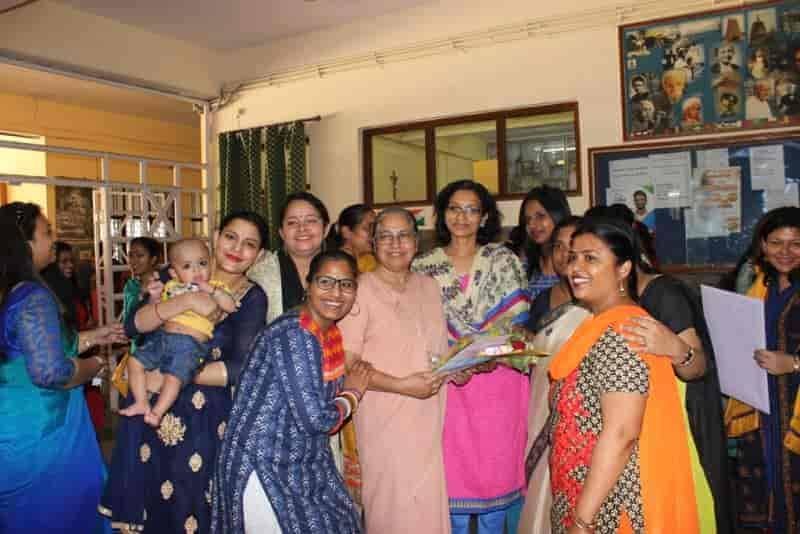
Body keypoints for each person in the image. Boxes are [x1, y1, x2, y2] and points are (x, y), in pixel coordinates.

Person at [100, 211, 269, 534]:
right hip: (146, 403)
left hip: (201, 416)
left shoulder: (251, 298)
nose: (237, 249)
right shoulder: (174, 271)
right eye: (230, 237)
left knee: (187, 506)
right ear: (216, 236)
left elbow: (240, 367)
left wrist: (175, 376)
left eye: (249, 244)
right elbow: (132, 326)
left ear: (259, 255)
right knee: (144, 503)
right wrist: (184, 301)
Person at [548, 216, 700, 533]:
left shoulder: (623, 333)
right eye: (573, 257)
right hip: (582, 490)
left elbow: (621, 434)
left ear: (623, 269)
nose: (575, 268)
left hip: (611, 505)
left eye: (591, 258)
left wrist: (583, 520)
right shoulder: (595, 324)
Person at [212, 250, 373, 534]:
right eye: (325, 282)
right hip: (264, 464)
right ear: (308, 286)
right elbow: (315, 419)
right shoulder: (294, 333)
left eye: (346, 284)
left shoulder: (328, 333)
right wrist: (352, 394)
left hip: (301, 462)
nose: (336, 293)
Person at [412, 180, 530, 534]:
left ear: (485, 217)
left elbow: (518, 322)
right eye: (454, 208)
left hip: (499, 381)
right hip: (449, 382)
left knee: (496, 477)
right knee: (453, 480)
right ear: (442, 214)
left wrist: (488, 352)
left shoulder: (503, 260)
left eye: (471, 209)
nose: (462, 217)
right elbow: (416, 327)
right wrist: (453, 360)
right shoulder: (423, 266)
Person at [0, 202, 125, 533]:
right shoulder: (32, 295)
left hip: (15, 420)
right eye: (46, 233)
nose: (52, 241)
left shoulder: (10, 292)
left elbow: (28, 348)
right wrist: (94, 365)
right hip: (41, 431)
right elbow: (51, 372)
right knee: (56, 514)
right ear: (25, 244)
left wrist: (94, 335)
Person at [338, 207, 453, 534]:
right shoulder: (360, 290)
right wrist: (401, 385)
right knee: (392, 508)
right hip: (384, 417)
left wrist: (454, 367)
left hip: (429, 416)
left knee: (427, 506)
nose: (395, 244)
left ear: (416, 242)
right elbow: (348, 363)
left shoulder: (429, 287)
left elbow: (436, 351)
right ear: (373, 244)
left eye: (403, 235)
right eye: (385, 236)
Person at [728, 207, 800, 533]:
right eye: (776, 243)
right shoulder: (759, 285)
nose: (785, 252)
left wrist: (794, 363)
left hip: (794, 406)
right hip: (761, 404)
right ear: (763, 245)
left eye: (796, 243)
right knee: (765, 487)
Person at [119, 239, 237, 427]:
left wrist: (212, 290)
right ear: (174, 273)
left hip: (189, 344)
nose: (197, 270)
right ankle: (141, 402)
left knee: (173, 376)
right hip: (162, 338)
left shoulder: (215, 286)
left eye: (202, 263)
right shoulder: (171, 286)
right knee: (134, 361)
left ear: (211, 264)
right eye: (187, 266)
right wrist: (154, 297)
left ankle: (157, 411)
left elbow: (230, 306)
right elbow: (150, 314)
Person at [518, 215, 581, 534]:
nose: (564, 254)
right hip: (541, 405)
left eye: (574, 246)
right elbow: (534, 348)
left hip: (581, 418)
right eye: (558, 246)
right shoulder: (543, 299)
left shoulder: (599, 300)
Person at [249, 191, 331, 324]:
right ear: (281, 233)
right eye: (292, 223)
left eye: (311, 221)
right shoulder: (260, 273)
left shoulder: (342, 271)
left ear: (325, 229)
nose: (302, 228)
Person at [507, 185, 572, 300]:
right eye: (528, 220)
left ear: (558, 215)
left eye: (540, 216)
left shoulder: (575, 262)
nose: (532, 225)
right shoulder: (523, 264)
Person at [41, 241, 84, 330]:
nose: (70, 265)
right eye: (64, 261)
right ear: (53, 264)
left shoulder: (69, 284)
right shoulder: (49, 289)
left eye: (71, 260)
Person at [329, 203, 377, 273]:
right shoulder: (334, 265)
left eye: (375, 227)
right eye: (368, 228)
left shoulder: (370, 260)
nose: (374, 233)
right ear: (346, 232)